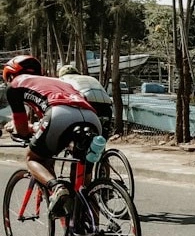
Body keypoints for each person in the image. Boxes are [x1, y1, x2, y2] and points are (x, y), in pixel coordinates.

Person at [3, 55, 103, 217]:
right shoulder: (57, 82)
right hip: (92, 118)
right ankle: (90, 229)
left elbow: (23, 131)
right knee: (83, 187)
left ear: (10, 76)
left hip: (59, 114)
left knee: (32, 158)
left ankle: (57, 188)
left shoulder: (14, 86)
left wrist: (17, 128)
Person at [57, 64, 114, 135]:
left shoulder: (62, 80)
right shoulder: (91, 78)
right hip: (106, 105)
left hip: (86, 104)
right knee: (103, 131)